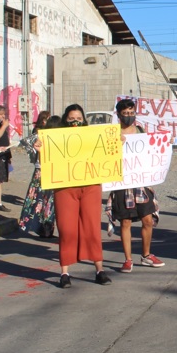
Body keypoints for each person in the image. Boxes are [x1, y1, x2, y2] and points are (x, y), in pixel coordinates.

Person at [52, 104, 108, 288]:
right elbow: (47, 159)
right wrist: (40, 149)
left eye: (78, 119)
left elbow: (106, 153)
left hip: (90, 186)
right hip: (65, 188)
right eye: (71, 119)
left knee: (92, 228)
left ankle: (99, 270)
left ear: (83, 120)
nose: (75, 122)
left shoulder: (92, 138)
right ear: (65, 120)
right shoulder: (56, 138)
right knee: (66, 229)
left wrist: (117, 143)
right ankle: (65, 273)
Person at [110, 99, 165, 272]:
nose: (128, 116)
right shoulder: (112, 133)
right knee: (125, 222)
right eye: (125, 113)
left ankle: (146, 255)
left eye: (131, 113)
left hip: (141, 183)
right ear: (118, 115)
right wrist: (114, 143)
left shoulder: (141, 132)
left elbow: (153, 150)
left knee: (147, 220)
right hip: (122, 184)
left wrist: (165, 141)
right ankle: (128, 259)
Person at [18, 111, 56, 237]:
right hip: (41, 168)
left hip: (52, 168)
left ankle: (47, 228)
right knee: (36, 197)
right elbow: (26, 143)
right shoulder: (39, 132)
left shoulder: (54, 133)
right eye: (46, 119)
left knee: (49, 200)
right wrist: (36, 146)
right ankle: (29, 223)